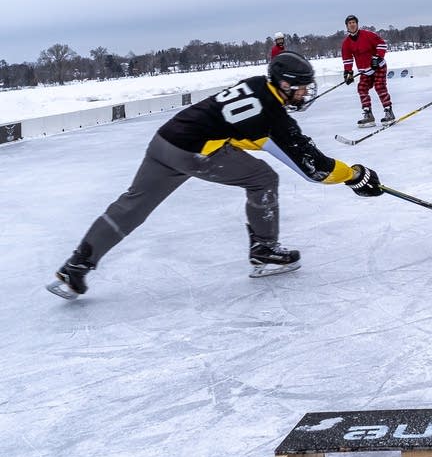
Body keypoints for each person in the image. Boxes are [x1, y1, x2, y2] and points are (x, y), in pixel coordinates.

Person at [47, 52, 383, 300]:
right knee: (262, 180)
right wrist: (354, 175)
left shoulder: (254, 84)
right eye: (301, 88)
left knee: (131, 207)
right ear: (284, 84)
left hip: (165, 139)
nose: (305, 94)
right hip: (194, 152)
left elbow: (237, 130)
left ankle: (75, 268)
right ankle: (264, 251)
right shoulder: (274, 118)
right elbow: (315, 169)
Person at [340, 15, 394, 128]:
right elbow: (347, 59)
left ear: (357, 24)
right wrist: (348, 73)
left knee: (379, 86)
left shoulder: (368, 35)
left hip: (378, 67)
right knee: (362, 88)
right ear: (347, 26)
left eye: (354, 22)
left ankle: (389, 112)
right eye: (350, 23)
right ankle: (368, 115)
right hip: (365, 71)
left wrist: (377, 58)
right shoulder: (346, 43)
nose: (352, 24)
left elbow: (382, 44)